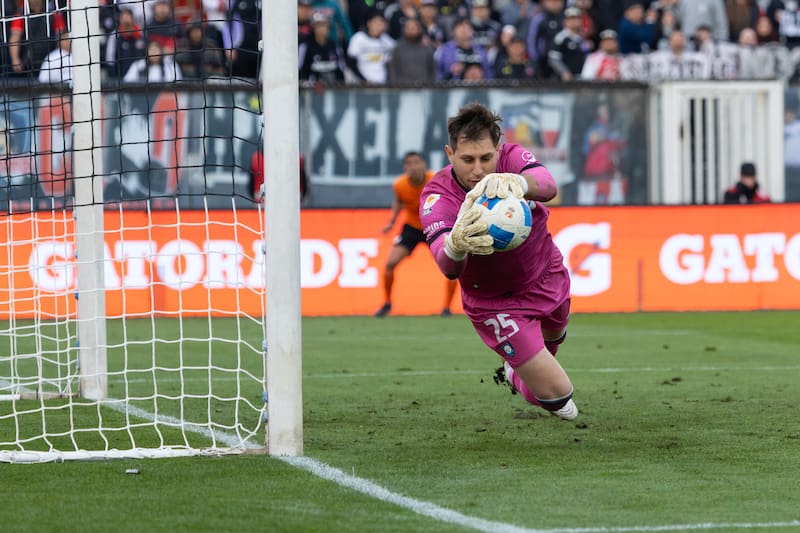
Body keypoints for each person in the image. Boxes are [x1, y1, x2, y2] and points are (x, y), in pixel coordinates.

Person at [418, 103, 579, 421]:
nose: (478, 170)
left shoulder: (512, 158)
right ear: (450, 154)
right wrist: (456, 246)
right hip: (496, 303)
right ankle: (515, 374)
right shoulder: (437, 197)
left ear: (499, 150)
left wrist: (518, 183)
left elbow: (547, 185)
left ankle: (524, 362)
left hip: (546, 272)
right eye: (467, 160)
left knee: (556, 337)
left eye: (485, 158)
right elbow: (448, 268)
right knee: (560, 397)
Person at [375, 152, 458, 318]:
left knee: (451, 266)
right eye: (409, 164)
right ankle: (386, 303)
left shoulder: (437, 179)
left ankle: (447, 308)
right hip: (412, 228)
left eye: (417, 162)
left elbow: (450, 199)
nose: (414, 167)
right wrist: (392, 222)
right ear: (405, 168)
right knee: (390, 264)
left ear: (423, 164)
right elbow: (399, 201)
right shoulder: (399, 185)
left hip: (435, 226)